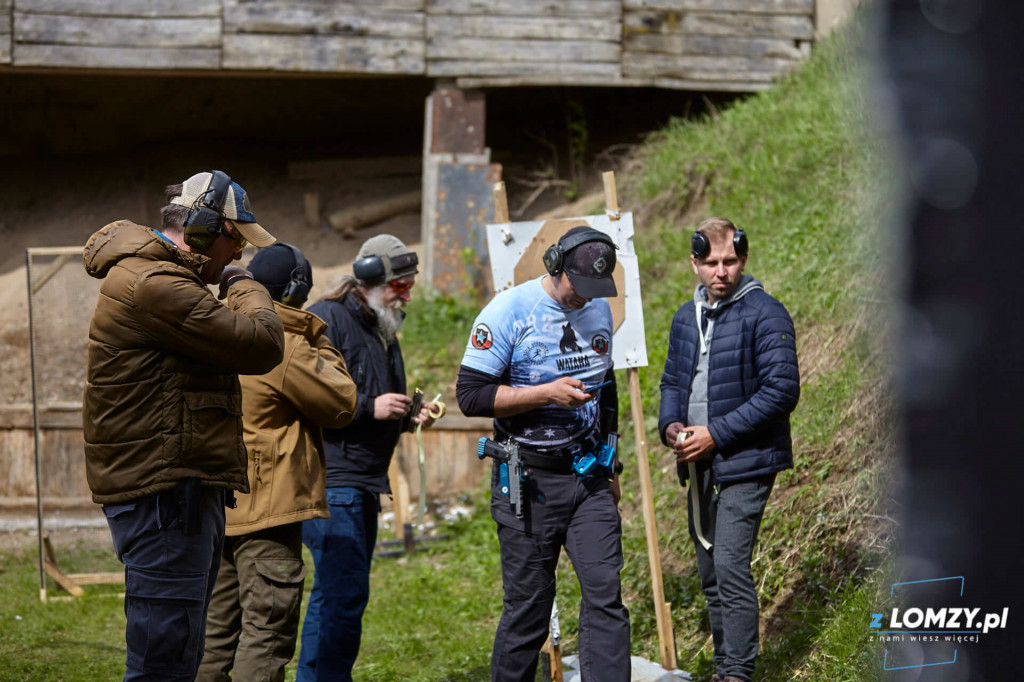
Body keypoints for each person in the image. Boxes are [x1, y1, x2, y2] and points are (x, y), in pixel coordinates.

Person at [82, 170, 285, 682]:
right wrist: (246, 287)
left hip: (173, 489)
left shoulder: (160, 279)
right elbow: (261, 344)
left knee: (180, 650)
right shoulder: (154, 284)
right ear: (200, 229)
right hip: (164, 496)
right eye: (234, 240)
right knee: (163, 660)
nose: (236, 256)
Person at [456, 225, 630, 682]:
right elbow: (470, 397)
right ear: (555, 265)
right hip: (528, 482)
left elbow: (606, 389)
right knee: (529, 610)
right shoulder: (509, 311)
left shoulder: (597, 312)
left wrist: (611, 462)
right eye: (578, 286)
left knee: (605, 596)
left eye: (595, 289)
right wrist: (545, 394)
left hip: (588, 478)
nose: (584, 298)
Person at [197, 243, 358, 682]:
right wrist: (311, 332)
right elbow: (341, 401)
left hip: (215, 506)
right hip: (266, 512)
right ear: (297, 291)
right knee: (267, 634)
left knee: (211, 639)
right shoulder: (283, 345)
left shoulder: (214, 327)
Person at [658, 217, 799, 682]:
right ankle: (724, 669)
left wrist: (715, 434)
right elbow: (673, 382)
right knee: (711, 574)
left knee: (730, 566)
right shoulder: (685, 316)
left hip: (747, 461)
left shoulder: (766, 312)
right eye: (712, 262)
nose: (722, 271)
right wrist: (671, 427)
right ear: (694, 263)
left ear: (744, 259)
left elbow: (781, 392)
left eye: (731, 261)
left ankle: (736, 674)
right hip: (697, 463)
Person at [297, 233, 438, 682]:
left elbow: (381, 397)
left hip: (361, 481)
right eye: (400, 286)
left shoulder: (383, 326)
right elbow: (307, 394)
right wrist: (368, 407)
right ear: (371, 279)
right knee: (345, 595)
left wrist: (411, 413)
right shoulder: (326, 320)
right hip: (331, 480)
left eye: (409, 285)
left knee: (333, 595)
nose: (407, 295)